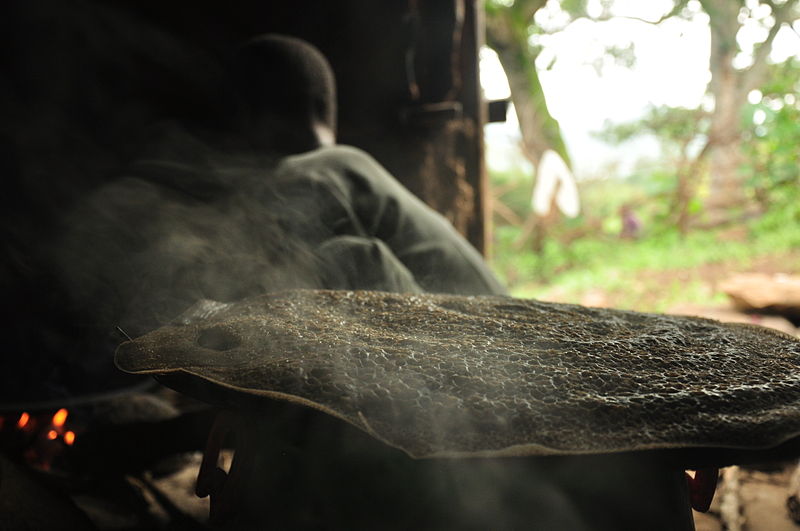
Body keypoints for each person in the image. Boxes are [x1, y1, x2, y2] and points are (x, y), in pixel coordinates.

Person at [225, 34, 506, 296]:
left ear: (249, 115)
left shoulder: (317, 172)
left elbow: (335, 267)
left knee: (338, 262)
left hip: (487, 339)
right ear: (326, 107)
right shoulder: (348, 168)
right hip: (502, 325)